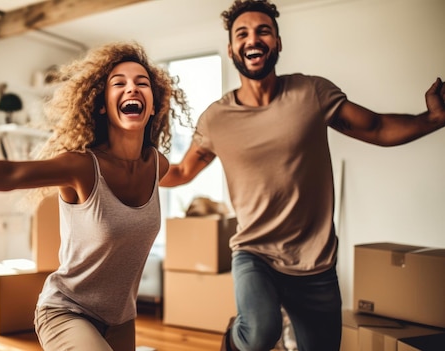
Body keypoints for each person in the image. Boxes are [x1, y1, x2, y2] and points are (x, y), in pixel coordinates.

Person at [160, 1, 445, 350]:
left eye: (263, 30)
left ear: (277, 42)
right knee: (260, 333)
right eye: (242, 33)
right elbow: (181, 171)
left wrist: (431, 119)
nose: (253, 39)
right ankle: (238, 337)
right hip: (255, 251)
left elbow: (377, 127)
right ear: (232, 48)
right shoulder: (216, 119)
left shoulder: (312, 93)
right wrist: (125, 160)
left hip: (315, 261)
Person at [0, 41, 190, 351]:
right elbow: (11, 174)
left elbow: (182, 173)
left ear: (155, 105)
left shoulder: (157, 164)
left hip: (121, 320)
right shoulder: (82, 166)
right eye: (120, 83)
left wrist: (214, 141)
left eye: (142, 83)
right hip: (68, 312)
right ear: (102, 104)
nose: (132, 89)